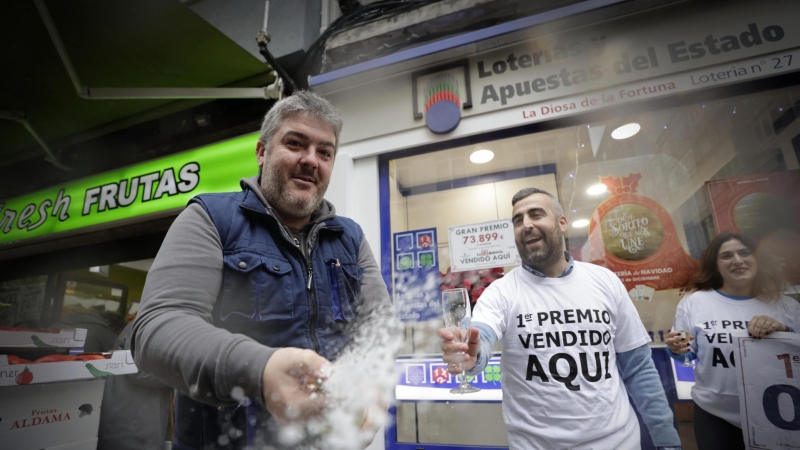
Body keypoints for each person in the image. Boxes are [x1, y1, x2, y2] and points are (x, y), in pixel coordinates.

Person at [132, 91, 397, 449]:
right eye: (295, 143)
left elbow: (378, 324)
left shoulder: (349, 237)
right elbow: (157, 329)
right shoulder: (211, 218)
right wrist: (261, 370)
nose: (310, 160)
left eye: (325, 152)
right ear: (262, 152)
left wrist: (372, 382)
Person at [439, 188, 682, 450]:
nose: (526, 225)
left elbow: (638, 367)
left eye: (536, 214)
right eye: (518, 220)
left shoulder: (605, 281)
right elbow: (482, 336)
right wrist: (471, 358)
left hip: (618, 442)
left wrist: (666, 440)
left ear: (562, 223)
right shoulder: (501, 291)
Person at [665, 232, 799, 450]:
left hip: (779, 413)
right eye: (726, 256)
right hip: (714, 415)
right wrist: (677, 350)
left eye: (744, 253)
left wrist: (784, 330)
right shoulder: (695, 302)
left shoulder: (786, 306)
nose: (737, 260)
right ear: (716, 265)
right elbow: (686, 356)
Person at [98, 320, 173, 450]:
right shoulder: (151, 325)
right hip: (135, 421)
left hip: (134, 415)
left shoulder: (150, 323)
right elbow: (138, 370)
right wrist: (183, 374)